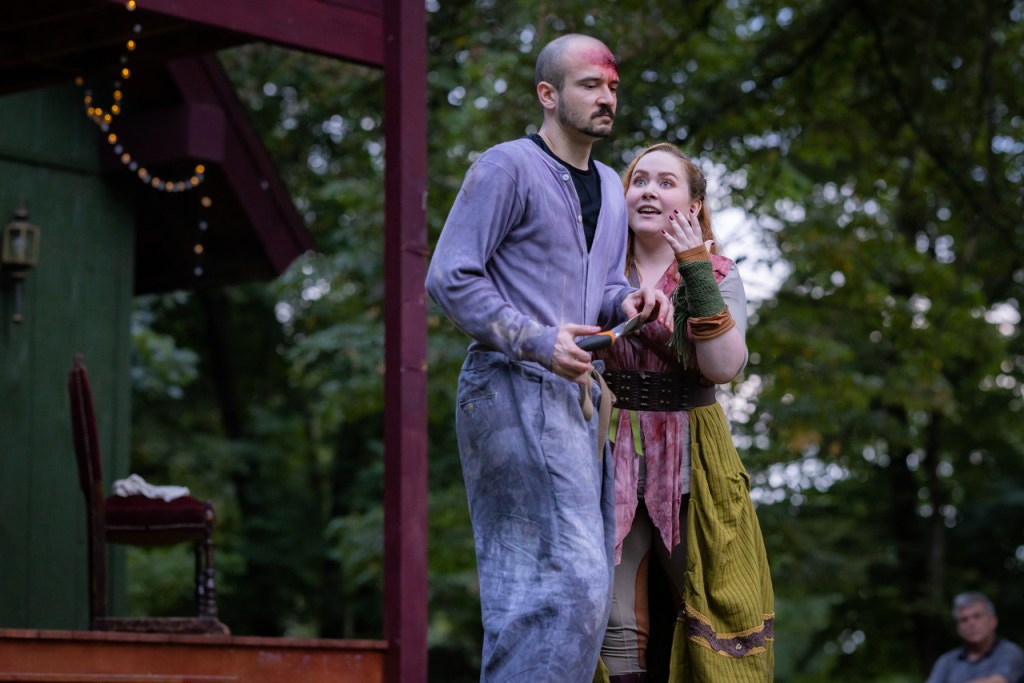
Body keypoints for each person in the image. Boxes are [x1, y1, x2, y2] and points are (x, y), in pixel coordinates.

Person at [425, 34, 670, 682]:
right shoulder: (506, 167)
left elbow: (601, 286)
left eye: (612, 87)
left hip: (576, 400)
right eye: (590, 85)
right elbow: (450, 276)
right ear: (548, 94)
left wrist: (628, 302)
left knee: (579, 591)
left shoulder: (612, 187)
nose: (606, 97)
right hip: (507, 386)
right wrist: (537, 340)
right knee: (558, 585)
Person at [595, 143, 774, 682]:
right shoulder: (595, 269)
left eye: (665, 182)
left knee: (717, 606)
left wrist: (692, 265)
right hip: (606, 453)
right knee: (612, 622)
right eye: (639, 180)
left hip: (694, 456)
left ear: (693, 206)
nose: (649, 190)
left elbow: (723, 367)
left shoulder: (716, 272)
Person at [924, 592, 1024, 683]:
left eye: (977, 616)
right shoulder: (947, 661)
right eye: (964, 620)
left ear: (993, 621)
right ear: (958, 627)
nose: (971, 624)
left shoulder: (1009, 653)